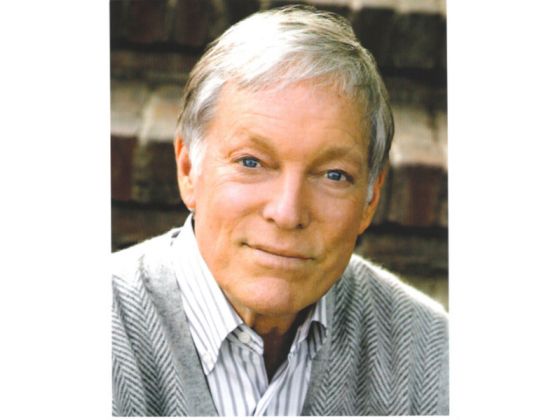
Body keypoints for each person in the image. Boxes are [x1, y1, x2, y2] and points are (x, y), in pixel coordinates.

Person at [112, 6, 448, 416]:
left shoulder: (433, 352)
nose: (287, 213)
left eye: (334, 175)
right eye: (251, 162)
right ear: (187, 169)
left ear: (370, 200)